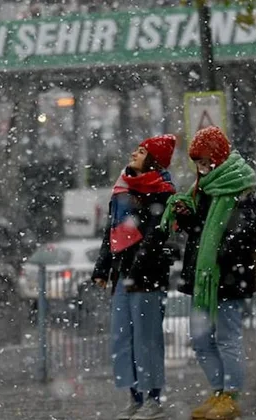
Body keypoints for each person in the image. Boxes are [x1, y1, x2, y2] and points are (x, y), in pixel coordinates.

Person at [163, 126, 256, 420]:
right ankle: (218, 391)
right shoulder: (204, 188)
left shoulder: (242, 187)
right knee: (201, 338)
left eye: (206, 162)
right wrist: (187, 218)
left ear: (218, 157)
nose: (202, 169)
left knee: (227, 337)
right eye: (198, 164)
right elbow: (200, 231)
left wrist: (219, 255)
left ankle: (231, 395)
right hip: (203, 277)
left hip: (227, 277)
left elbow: (246, 234)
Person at [92, 134, 177, 420]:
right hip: (122, 276)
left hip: (147, 277)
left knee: (147, 338)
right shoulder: (122, 188)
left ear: (153, 159)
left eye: (141, 151)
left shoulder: (162, 191)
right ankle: (135, 397)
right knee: (121, 338)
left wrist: (139, 261)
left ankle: (153, 398)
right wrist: (103, 268)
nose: (134, 153)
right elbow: (111, 232)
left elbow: (157, 235)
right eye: (137, 149)